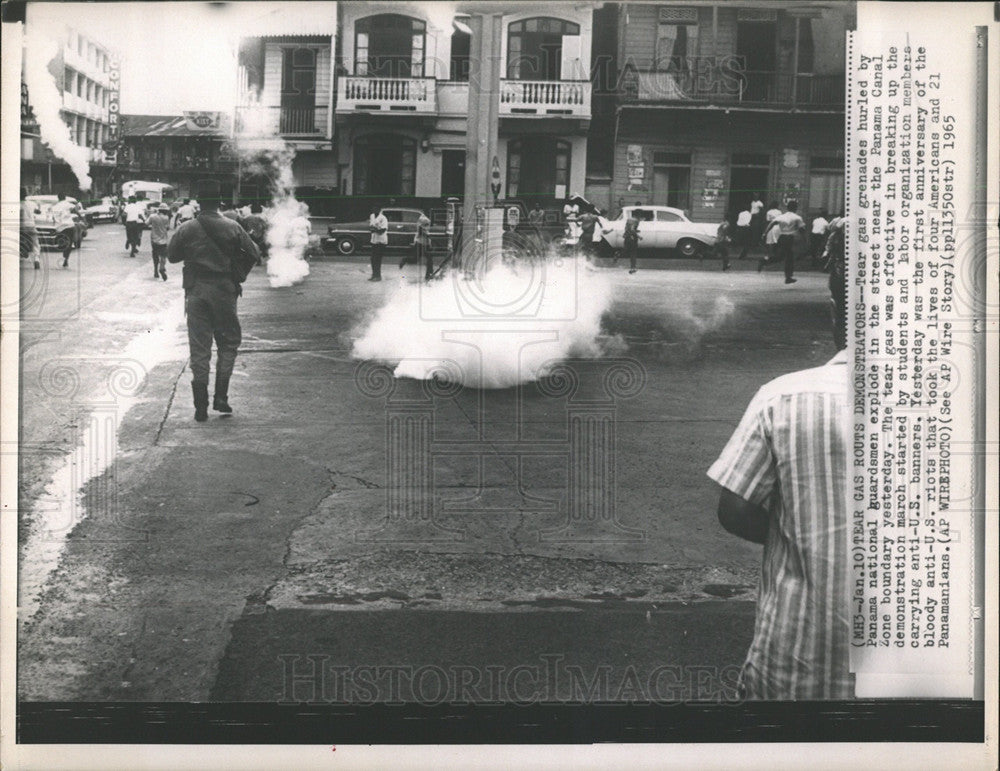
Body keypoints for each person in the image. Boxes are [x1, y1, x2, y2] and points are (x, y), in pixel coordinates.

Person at [707, 257, 850, 700]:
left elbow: (734, 510)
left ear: (834, 311)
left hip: (797, 665)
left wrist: (802, 535)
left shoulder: (785, 396)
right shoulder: (963, 407)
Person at [167, 181, 260, 422]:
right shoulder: (233, 226)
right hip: (224, 292)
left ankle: (200, 406)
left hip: (196, 292)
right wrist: (238, 274)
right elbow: (254, 253)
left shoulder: (187, 228)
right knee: (228, 344)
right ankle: (221, 397)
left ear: (198, 203)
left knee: (199, 349)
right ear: (219, 204)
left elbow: (172, 256)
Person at [767, 199, 806, 284]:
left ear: (787, 207)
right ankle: (788, 277)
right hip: (790, 238)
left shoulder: (782, 216)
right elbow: (802, 229)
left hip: (782, 237)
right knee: (788, 257)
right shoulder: (797, 217)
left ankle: (766, 261)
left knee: (783, 256)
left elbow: (771, 223)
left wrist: (764, 233)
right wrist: (804, 238)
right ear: (795, 208)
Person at [51, 193, 78, 268]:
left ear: (58, 198)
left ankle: (64, 256)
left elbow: (53, 218)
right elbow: (76, 208)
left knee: (64, 243)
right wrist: (80, 216)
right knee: (69, 243)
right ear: (65, 197)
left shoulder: (55, 207)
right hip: (69, 225)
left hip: (60, 227)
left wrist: (55, 227)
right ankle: (66, 258)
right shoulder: (67, 204)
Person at [147, 204, 172, 281]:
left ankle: (155, 271)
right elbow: (167, 228)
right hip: (163, 240)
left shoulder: (152, 216)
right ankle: (161, 268)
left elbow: (146, 223)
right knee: (163, 256)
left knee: (155, 255)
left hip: (154, 239)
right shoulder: (166, 218)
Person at [20, 187, 41, 270]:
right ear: (26, 194)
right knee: (36, 243)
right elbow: (38, 212)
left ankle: (23, 251)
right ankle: (36, 259)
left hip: (20, 227)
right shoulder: (31, 203)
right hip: (31, 226)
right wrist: (39, 207)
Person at [368, 204, 388, 281]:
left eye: (376, 208)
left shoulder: (383, 218)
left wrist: (375, 230)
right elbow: (371, 226)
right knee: (373, 258)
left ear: (379, 209)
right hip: (374, 240)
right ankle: (374, 275)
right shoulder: (372, 216)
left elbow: (382, 230)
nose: (375, 210)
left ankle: (378, 276)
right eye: (373, 208)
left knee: (377, 258)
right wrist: (374, 229)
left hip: (381, 241)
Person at [623, 208, 642, 274]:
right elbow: (632, 229)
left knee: (627, 250)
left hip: (627, 237)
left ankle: (618, 253)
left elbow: (627, 228)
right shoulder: (636, 221)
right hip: (633, 238)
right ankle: (633, 268)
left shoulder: (629, 219)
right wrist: (639, 236)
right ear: (638, 214)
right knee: (633, 253)